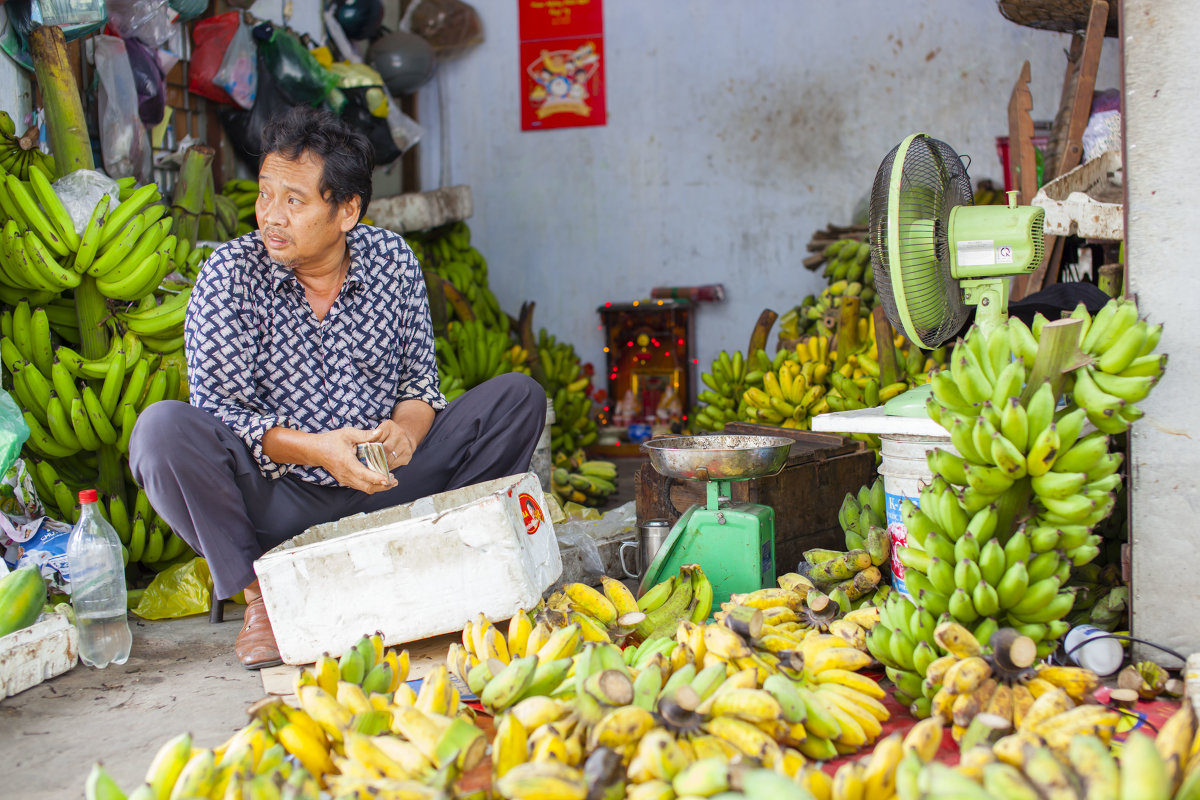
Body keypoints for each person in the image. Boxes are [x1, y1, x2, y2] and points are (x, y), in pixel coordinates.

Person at [129, 107, 547, 669]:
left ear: (347, 210)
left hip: (387, 484)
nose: (271, 216)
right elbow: (221, 413)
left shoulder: (392, 262)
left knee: (518, 399)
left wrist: (406, 432)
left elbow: (421, 385)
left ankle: (438, 553)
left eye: (294, 201)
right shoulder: (228, 275)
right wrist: (318, 451)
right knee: (160, 431)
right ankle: (264, 602)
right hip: (279, 500)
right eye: (264, 195)